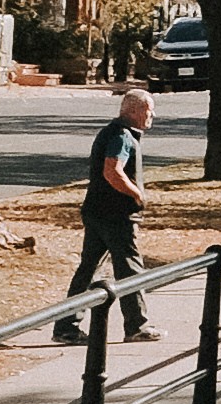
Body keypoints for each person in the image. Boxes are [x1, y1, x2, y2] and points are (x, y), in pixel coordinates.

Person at [54, 82, 157, 343]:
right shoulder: (122, 136)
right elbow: (112, 171)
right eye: (149, 111)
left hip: (96, 211)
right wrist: (136, 194)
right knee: (130, 268)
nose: (152, 117)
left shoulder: (111, 132)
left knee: (89, 269)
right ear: (133, 111)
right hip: (116, 215)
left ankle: (66, 326)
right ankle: (137, 326)